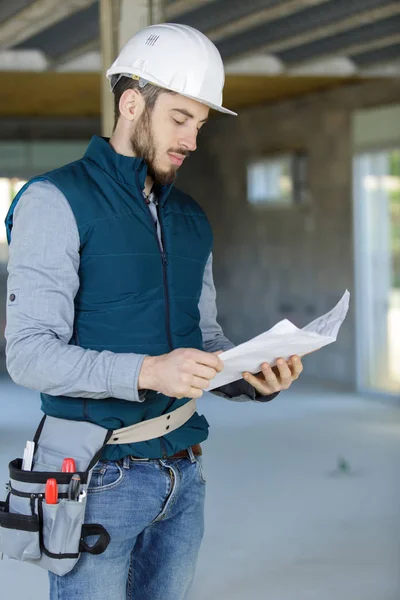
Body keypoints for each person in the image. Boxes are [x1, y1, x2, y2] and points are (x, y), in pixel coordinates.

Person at [4, 23, 303, 600]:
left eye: (200, 124)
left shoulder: (191, 217)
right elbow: (28, 355)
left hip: (184, 475)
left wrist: (252, 378)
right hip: (97, 478)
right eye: (180, 119)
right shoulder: (54, 200)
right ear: (132, 104)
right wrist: (147, 371)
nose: (192, 140)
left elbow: (205, 342)